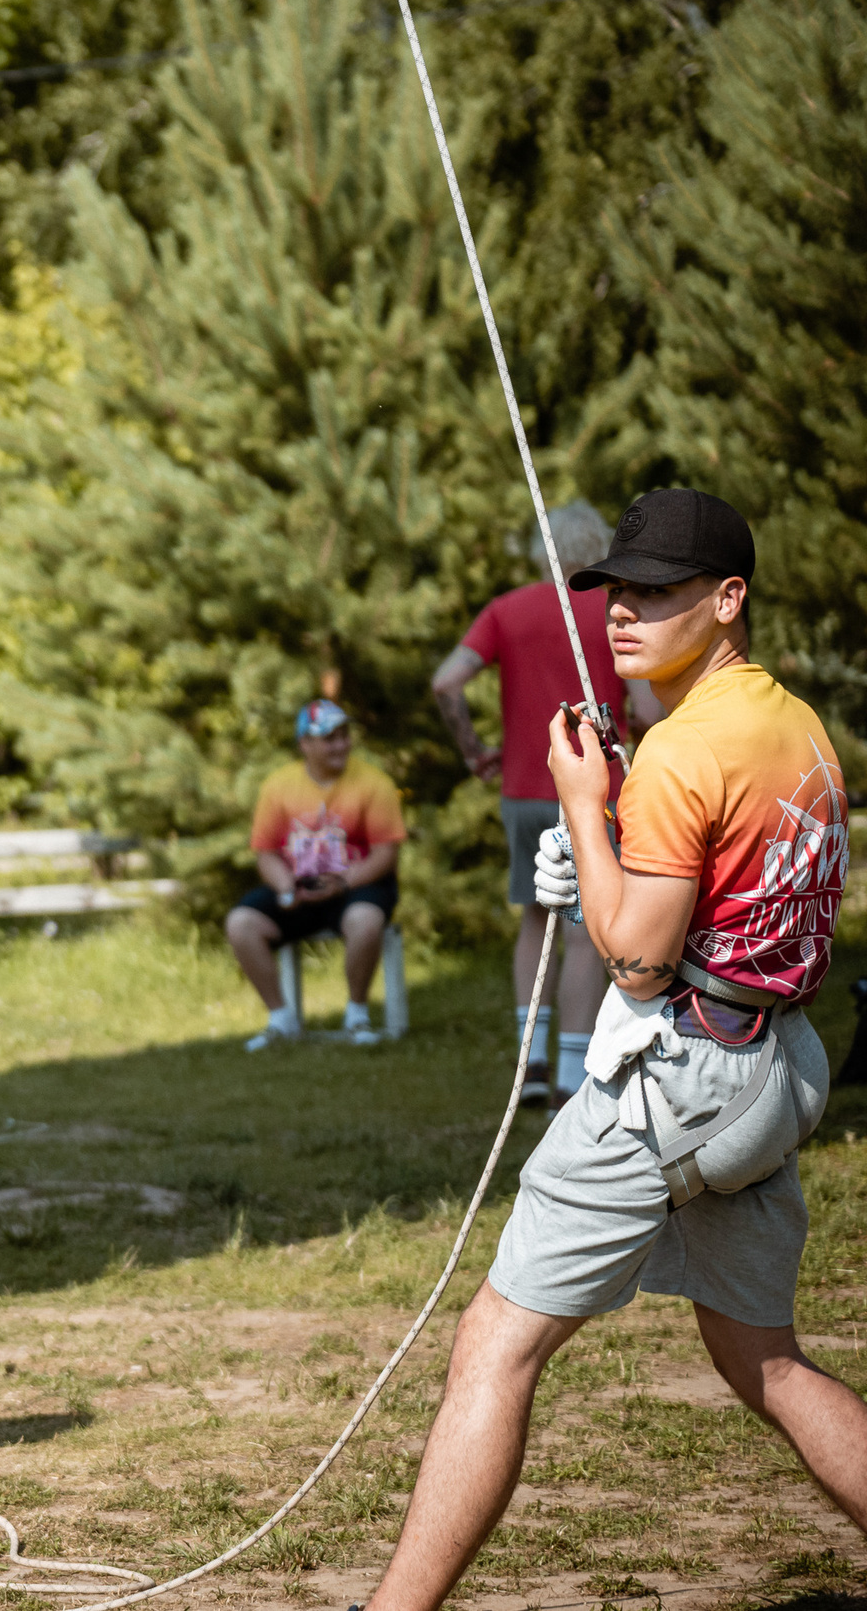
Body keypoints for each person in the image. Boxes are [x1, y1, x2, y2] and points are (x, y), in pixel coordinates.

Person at [364, 488, 857, 1611]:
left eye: (656, 591)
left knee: (493, 1341)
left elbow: (634, 962)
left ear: (728, 599)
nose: (622, 614)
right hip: (777, 1066)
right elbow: (721, 899)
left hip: (683, 1077)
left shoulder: (683, 749)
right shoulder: (790, 721)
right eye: (615, 591)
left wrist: (584, 811)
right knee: (765, 1362)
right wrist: (612, 846)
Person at [432, 501, 664, 1110]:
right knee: (585, 932)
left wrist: (474, 750)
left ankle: (528, 1062)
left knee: (535, 917)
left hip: (522, 790)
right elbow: (643, 712)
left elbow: (446, 681)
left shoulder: (507, 610)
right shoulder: (614, 611)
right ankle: (572, 1073)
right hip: (595, 790)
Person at [227, 700, 407, 1050]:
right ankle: (281, 1019)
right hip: (301, 886)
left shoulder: (375, 783)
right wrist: (285, 887)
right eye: (329, 738)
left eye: (344, 736)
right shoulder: (278, 786)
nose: (340, 745)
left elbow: (386, 853)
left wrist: (343, 882)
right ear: (304, 744)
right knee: (241, 922)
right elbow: (264, 852)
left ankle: (356, 1015)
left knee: (365, 919)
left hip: (359, 884)